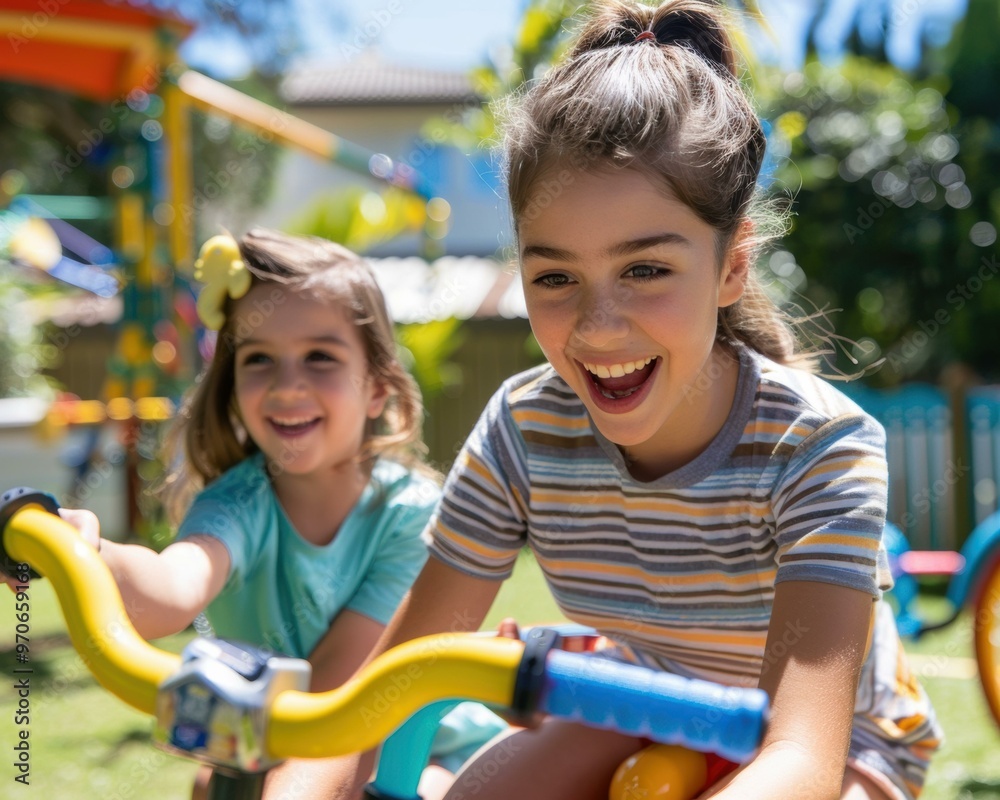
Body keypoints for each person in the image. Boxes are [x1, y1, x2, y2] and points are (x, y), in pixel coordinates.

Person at [321, 2, 942, 799]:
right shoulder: (523, 430)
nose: (598, 327)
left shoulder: (820, 446)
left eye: (645, 269)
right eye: (554, 278)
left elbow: (802, 758)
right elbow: (386, 690)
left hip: (839, 745)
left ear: (730, 267)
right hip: (645, 695)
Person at [44, 229, 446, 797]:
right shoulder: (238, 502)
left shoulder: (410, 513)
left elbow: (345, 684)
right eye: (259, 359)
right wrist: (89, 553)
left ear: (378, 388)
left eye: (320, 357)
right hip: (274, 732)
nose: (287, 386)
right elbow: (170, 591)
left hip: (405, 739)